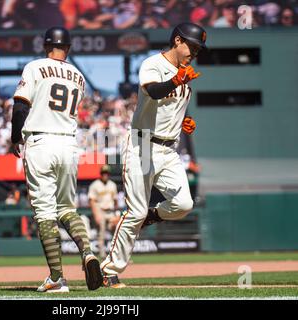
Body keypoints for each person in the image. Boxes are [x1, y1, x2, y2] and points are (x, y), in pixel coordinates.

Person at [100, 22, 206, 288]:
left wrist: (185, 121)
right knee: (134, 212)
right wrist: (175, 79)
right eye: (192, 46)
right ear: (178, 41)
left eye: (198, 48)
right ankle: (109, 270)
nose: (194, 52)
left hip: (168, 149)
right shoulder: (153, 64)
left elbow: (172, 108)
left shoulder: (184, 75)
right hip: (142, 146)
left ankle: (152, 216)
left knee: (184, 204)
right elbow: (153, 92)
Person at [10, 26, 103, 293]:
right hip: (69, 144)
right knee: (67, 208)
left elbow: (20, 106)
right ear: (69, 48)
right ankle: (87, 251)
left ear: (45, 45)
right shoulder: (78, 76)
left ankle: (57, 278)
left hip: (41, 142)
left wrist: (16, 137)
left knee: (45, 213)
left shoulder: (35, 67)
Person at [88, 164, 120, 259]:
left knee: (116, 231)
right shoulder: (95, 185)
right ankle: (102, 255)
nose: (105, 175)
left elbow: (115, 200)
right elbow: (92, 201)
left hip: (110, 211)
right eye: (103, 173)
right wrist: (96, 214)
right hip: (100, 211)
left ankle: (117, 254)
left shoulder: (112, 185)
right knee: (101, 233)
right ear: (101, 174)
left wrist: (116, 214)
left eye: (107, 173)